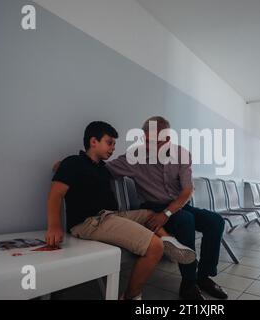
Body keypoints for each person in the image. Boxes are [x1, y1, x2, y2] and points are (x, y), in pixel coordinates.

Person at [46, 121, 196, 300]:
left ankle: (169, 240)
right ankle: (131, 296)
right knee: (155, 248)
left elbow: (117, 167)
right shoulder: (73, 162)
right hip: (91, 222)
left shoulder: (103, 169)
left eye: (114, 144)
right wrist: (54, 226)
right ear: (94, 141)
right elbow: (55, 195)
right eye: (109, 143)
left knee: (149, 213)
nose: (113, 148)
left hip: (112, 216)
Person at [106, 116, 228, 300]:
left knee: (215, 221)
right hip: (151, 207)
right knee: (186, 220)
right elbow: (104, 168)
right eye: (146, 140)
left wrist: (168, 213)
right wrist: (71, 165)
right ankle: (188, 284)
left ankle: (203, 277)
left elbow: (187, 190)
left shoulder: (182, 155)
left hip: (177, 205)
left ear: (167, 140)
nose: (148, 146)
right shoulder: (134, 157)